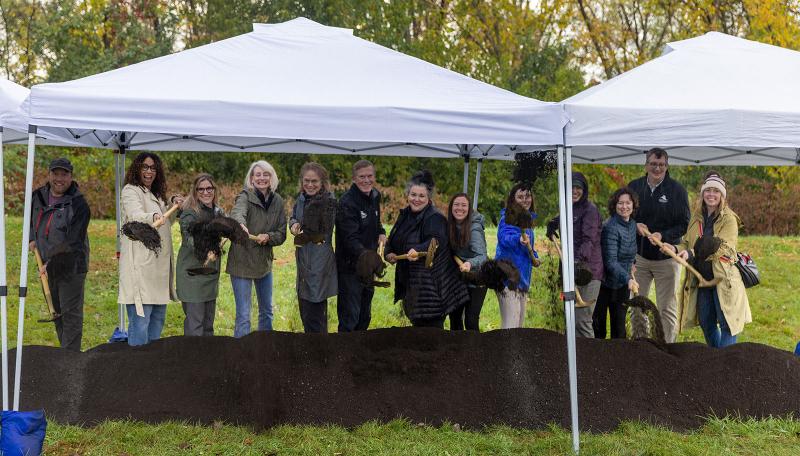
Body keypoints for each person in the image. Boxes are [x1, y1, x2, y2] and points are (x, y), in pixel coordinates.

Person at [661, 173, 751, 348]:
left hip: (723, 279)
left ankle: (724, 364)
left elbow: (723, 247)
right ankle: (716, 360)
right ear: (702, 194)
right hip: (702, 279)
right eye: (708, 190)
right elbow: (687, 242)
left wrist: (691, 252)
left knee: (727, 325)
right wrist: (674, 248)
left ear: (722, 195)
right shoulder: (697, 217)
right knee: (706, 323)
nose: (711, 194)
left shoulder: (729, 219)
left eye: (716, 191)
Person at [386, 171, 469, 328]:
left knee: (431, 332)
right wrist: (389, 253)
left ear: (429, 197)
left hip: (433, 288)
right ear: (407, 195)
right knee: (419, 331)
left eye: (421, 196)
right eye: (413, 194)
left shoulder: (435, 218)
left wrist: (416, 250)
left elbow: (435, 241)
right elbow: (393, 239)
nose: (416, 199)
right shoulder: (404, 215)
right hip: (413, 286)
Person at [119, 152, 182, 346]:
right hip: (140, 270)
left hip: (158, 273)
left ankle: (151, 369)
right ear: (137, 168)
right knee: (140, 325)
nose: (149, 171)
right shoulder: (130, 191)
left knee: (157, 323)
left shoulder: (155, 194)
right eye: (145, 167)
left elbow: (165, 222)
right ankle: (136, 371)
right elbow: (135, 214)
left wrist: (172, 204)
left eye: (153, 168)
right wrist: (153, 216)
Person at [628, 148, 690, 343]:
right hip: (639, 258)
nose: (657, 168)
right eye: (653, 164)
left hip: (666, 259)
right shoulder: (634, 187)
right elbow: (622, 215)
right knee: (638, 304)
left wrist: (663, 235)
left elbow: (684, 224)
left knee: (667, 307)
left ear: (667, 166)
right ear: (646, 165)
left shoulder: (677, 191)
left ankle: (667, 347)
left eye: (661, 165)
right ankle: (641, 344)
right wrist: (634, 225)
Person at [29, 158, 90, 351]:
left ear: (71, 177)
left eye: (64, 174)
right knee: (57, 313)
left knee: (70, 315)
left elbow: (74, 240)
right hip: (46, 264)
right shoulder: (37, 197)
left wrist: (53, 262)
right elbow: (29, 221)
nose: (59, 179)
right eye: (56, 173)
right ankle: (65, 355)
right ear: (49, 174)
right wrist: (32, 238)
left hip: (71, 265)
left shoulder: (79, 204)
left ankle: (70, 360)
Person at [227, 160, 287, 338]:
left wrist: (268, 237)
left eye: (265, 174)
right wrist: (240, 225)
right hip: (242, 263)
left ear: (271, 177)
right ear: (251, 179)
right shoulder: (245, 196)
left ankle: (264, 349)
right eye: (257, 175)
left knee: (267, 311)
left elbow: (282, 233)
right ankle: (242, 354)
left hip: (263, 264)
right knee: (244, 315)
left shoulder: (277, 201)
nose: (262, 178)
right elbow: (237, 213)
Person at [547, 172, 603, 338]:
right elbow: (560, 219)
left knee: (582, 320)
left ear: (584, 190)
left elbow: (589, 240)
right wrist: (552, 225)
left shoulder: (590, 211)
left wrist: (577, 263)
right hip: (569, 270)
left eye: (578, 187)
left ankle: (589, 359)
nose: (574, 191)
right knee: (570, 317)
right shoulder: (567, 207)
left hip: (587, 272)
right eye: (571, 187)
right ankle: (574, 360)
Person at [335, 160, 386, 332]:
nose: (366, 180)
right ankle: (344, 355)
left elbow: (376, 221)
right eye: (362, 177)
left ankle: (360, 356)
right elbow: (350, 239)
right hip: (350, 270)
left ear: (374, 177)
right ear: (354, 179)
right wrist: (369, 257)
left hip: (368, 269)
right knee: (351, 317)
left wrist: (381, 232)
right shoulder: (346, 203)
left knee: (365, 316)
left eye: (370, 176)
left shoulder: (375, 196)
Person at [289, 162, 337, 333]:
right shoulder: (301, 199)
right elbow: (293, 217)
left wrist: (301, 230)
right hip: (303, 260)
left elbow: (320, 232)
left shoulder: (328, 202)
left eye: (314, 181)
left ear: (322, 182)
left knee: (315, 312)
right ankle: (312, 349)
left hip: (319, 262)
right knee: (305, 310)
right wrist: (294, 225)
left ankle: (320, 351)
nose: (310, 185)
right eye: (306, 181)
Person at [175, 174, 223, 337]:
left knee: (208, 326)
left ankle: (207, 360)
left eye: (209, 188)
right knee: (195, 326)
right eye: (200, 189)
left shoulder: (218, 212)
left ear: (214, 190)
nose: (205, 192)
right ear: (195, 192)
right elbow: (188, 237)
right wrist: (205, 249)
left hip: (210, 275)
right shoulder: (189, 213)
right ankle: (193, 361)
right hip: (192, 275)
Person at [593, 188, 638, 339]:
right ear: (614, 205)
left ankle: (619, 361)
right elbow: (610, 261)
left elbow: (630, 250)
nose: (624, 207)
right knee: (599, 329)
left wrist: (633, 263)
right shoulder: (610, 227)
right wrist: (628, 279)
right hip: (604, 284)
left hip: (622, 284)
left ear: (633, 205)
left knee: (619, 330)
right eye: (620, 203)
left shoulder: (632, 224)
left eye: (628, 203)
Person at [495, 183, 540, 329]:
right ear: (513, 200)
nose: (525, 200)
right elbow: (504, 237)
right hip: (507, 278)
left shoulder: (527, 221)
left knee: (518, 324)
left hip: (522, 280)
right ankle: (504, 352)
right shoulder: (507, 219)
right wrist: (518, 239)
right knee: (511, 325)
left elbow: (529, 249)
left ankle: (513, 351)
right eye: (520, 197)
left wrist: (535, 256)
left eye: (527, 196)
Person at [447, 193, 488, 331]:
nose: (460, 208)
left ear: (469, 208)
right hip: (460, 277)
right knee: (454, 316)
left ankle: (475, 350)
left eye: (464, 205)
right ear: (451, 207)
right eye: (456, 204)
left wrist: (469, 263)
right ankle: (457, 350)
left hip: (477, 278)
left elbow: (482, 256)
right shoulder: (449, 225)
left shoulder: (474, 229)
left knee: (470, 320)